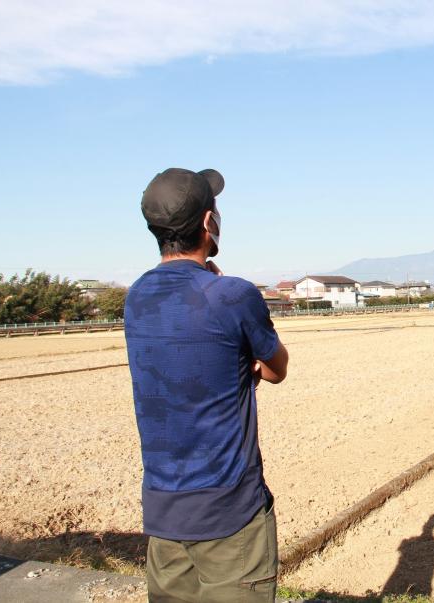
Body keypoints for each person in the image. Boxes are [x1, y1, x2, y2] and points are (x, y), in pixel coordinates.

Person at [125, 168, 289, 602]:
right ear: (207, 223)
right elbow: (276, 368)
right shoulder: (232, 294)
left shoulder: (136, 296)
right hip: (229, 511)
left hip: (163, 512)